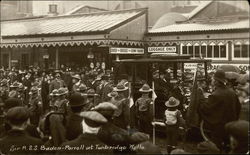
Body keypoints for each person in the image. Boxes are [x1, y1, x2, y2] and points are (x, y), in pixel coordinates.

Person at [199, 69, 241, 152]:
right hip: (230, 125)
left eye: (213, 79)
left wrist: (200, 101)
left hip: (219, 127)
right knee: (228, 147)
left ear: (216, 82)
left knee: (216, 147)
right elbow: (238, 107)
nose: (212, 81)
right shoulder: (232, 92)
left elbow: (206, 109)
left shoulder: (216, 94)